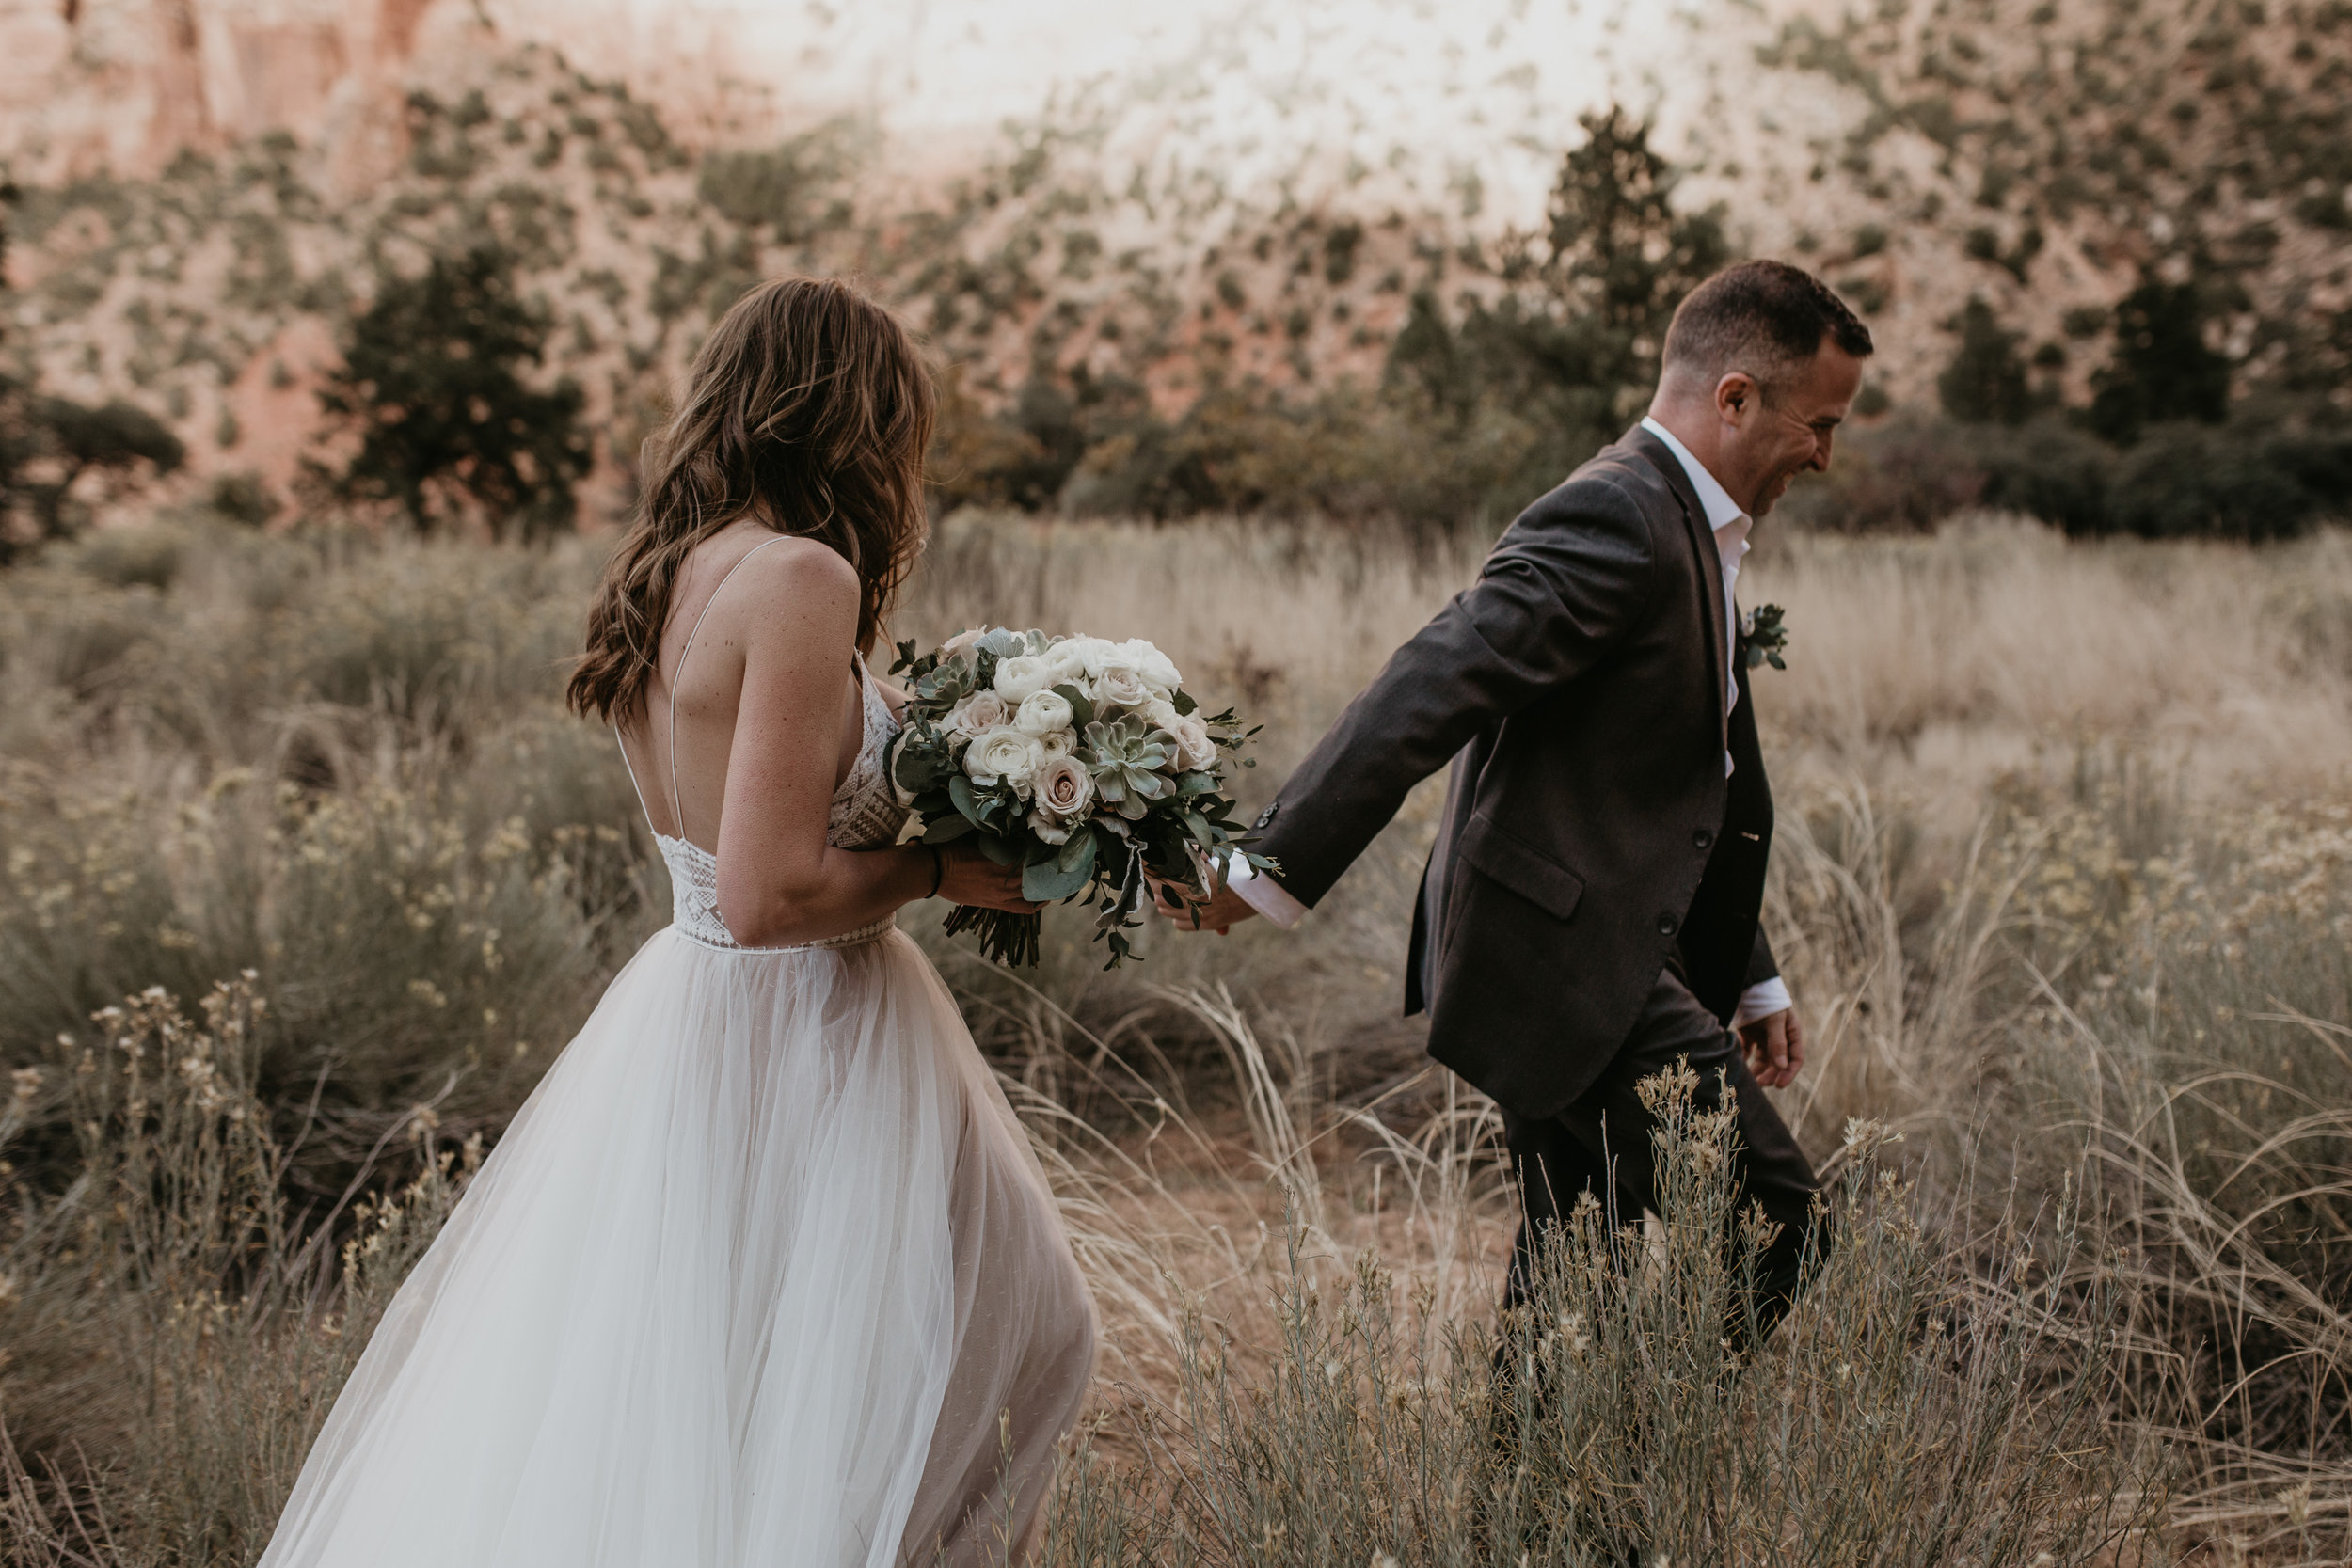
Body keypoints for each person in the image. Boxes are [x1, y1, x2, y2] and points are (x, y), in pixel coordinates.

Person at [259, 277, 1096, 1568]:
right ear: (857, 417)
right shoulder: (803, 575)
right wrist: (942, 873)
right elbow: (766, 896)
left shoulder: (673, 571)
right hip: (802, 1021)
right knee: (1006, 1338)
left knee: (734, 1394)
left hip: (690, 1016)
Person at [1163, 259, 1872, 1348]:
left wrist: (1754, 964)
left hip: (1595, 941)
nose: (1824, 454)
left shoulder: (1696, 523)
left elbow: (1682, 777)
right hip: (1565, 957)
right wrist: (1264, 869)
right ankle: (1628, 1459)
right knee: (1779, 1218)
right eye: (1818, 424)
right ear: (1734, 397)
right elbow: (1432, 677)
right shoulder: (1617, 514)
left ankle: (1553, 1507)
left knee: (1574, 1260)